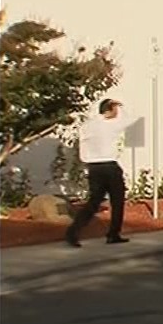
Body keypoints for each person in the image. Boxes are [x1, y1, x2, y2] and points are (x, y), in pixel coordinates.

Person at [65, 98, 136, 247]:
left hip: (93, 167)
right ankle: (113, 234)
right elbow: (130, 120)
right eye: (115, 110)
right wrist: (121, 106)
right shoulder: (112, 125)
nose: (117, 113)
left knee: (94, 202)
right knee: (117, 201)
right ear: (109, 110)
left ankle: (73, 232)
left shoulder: (87, 126)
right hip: (110, 166)